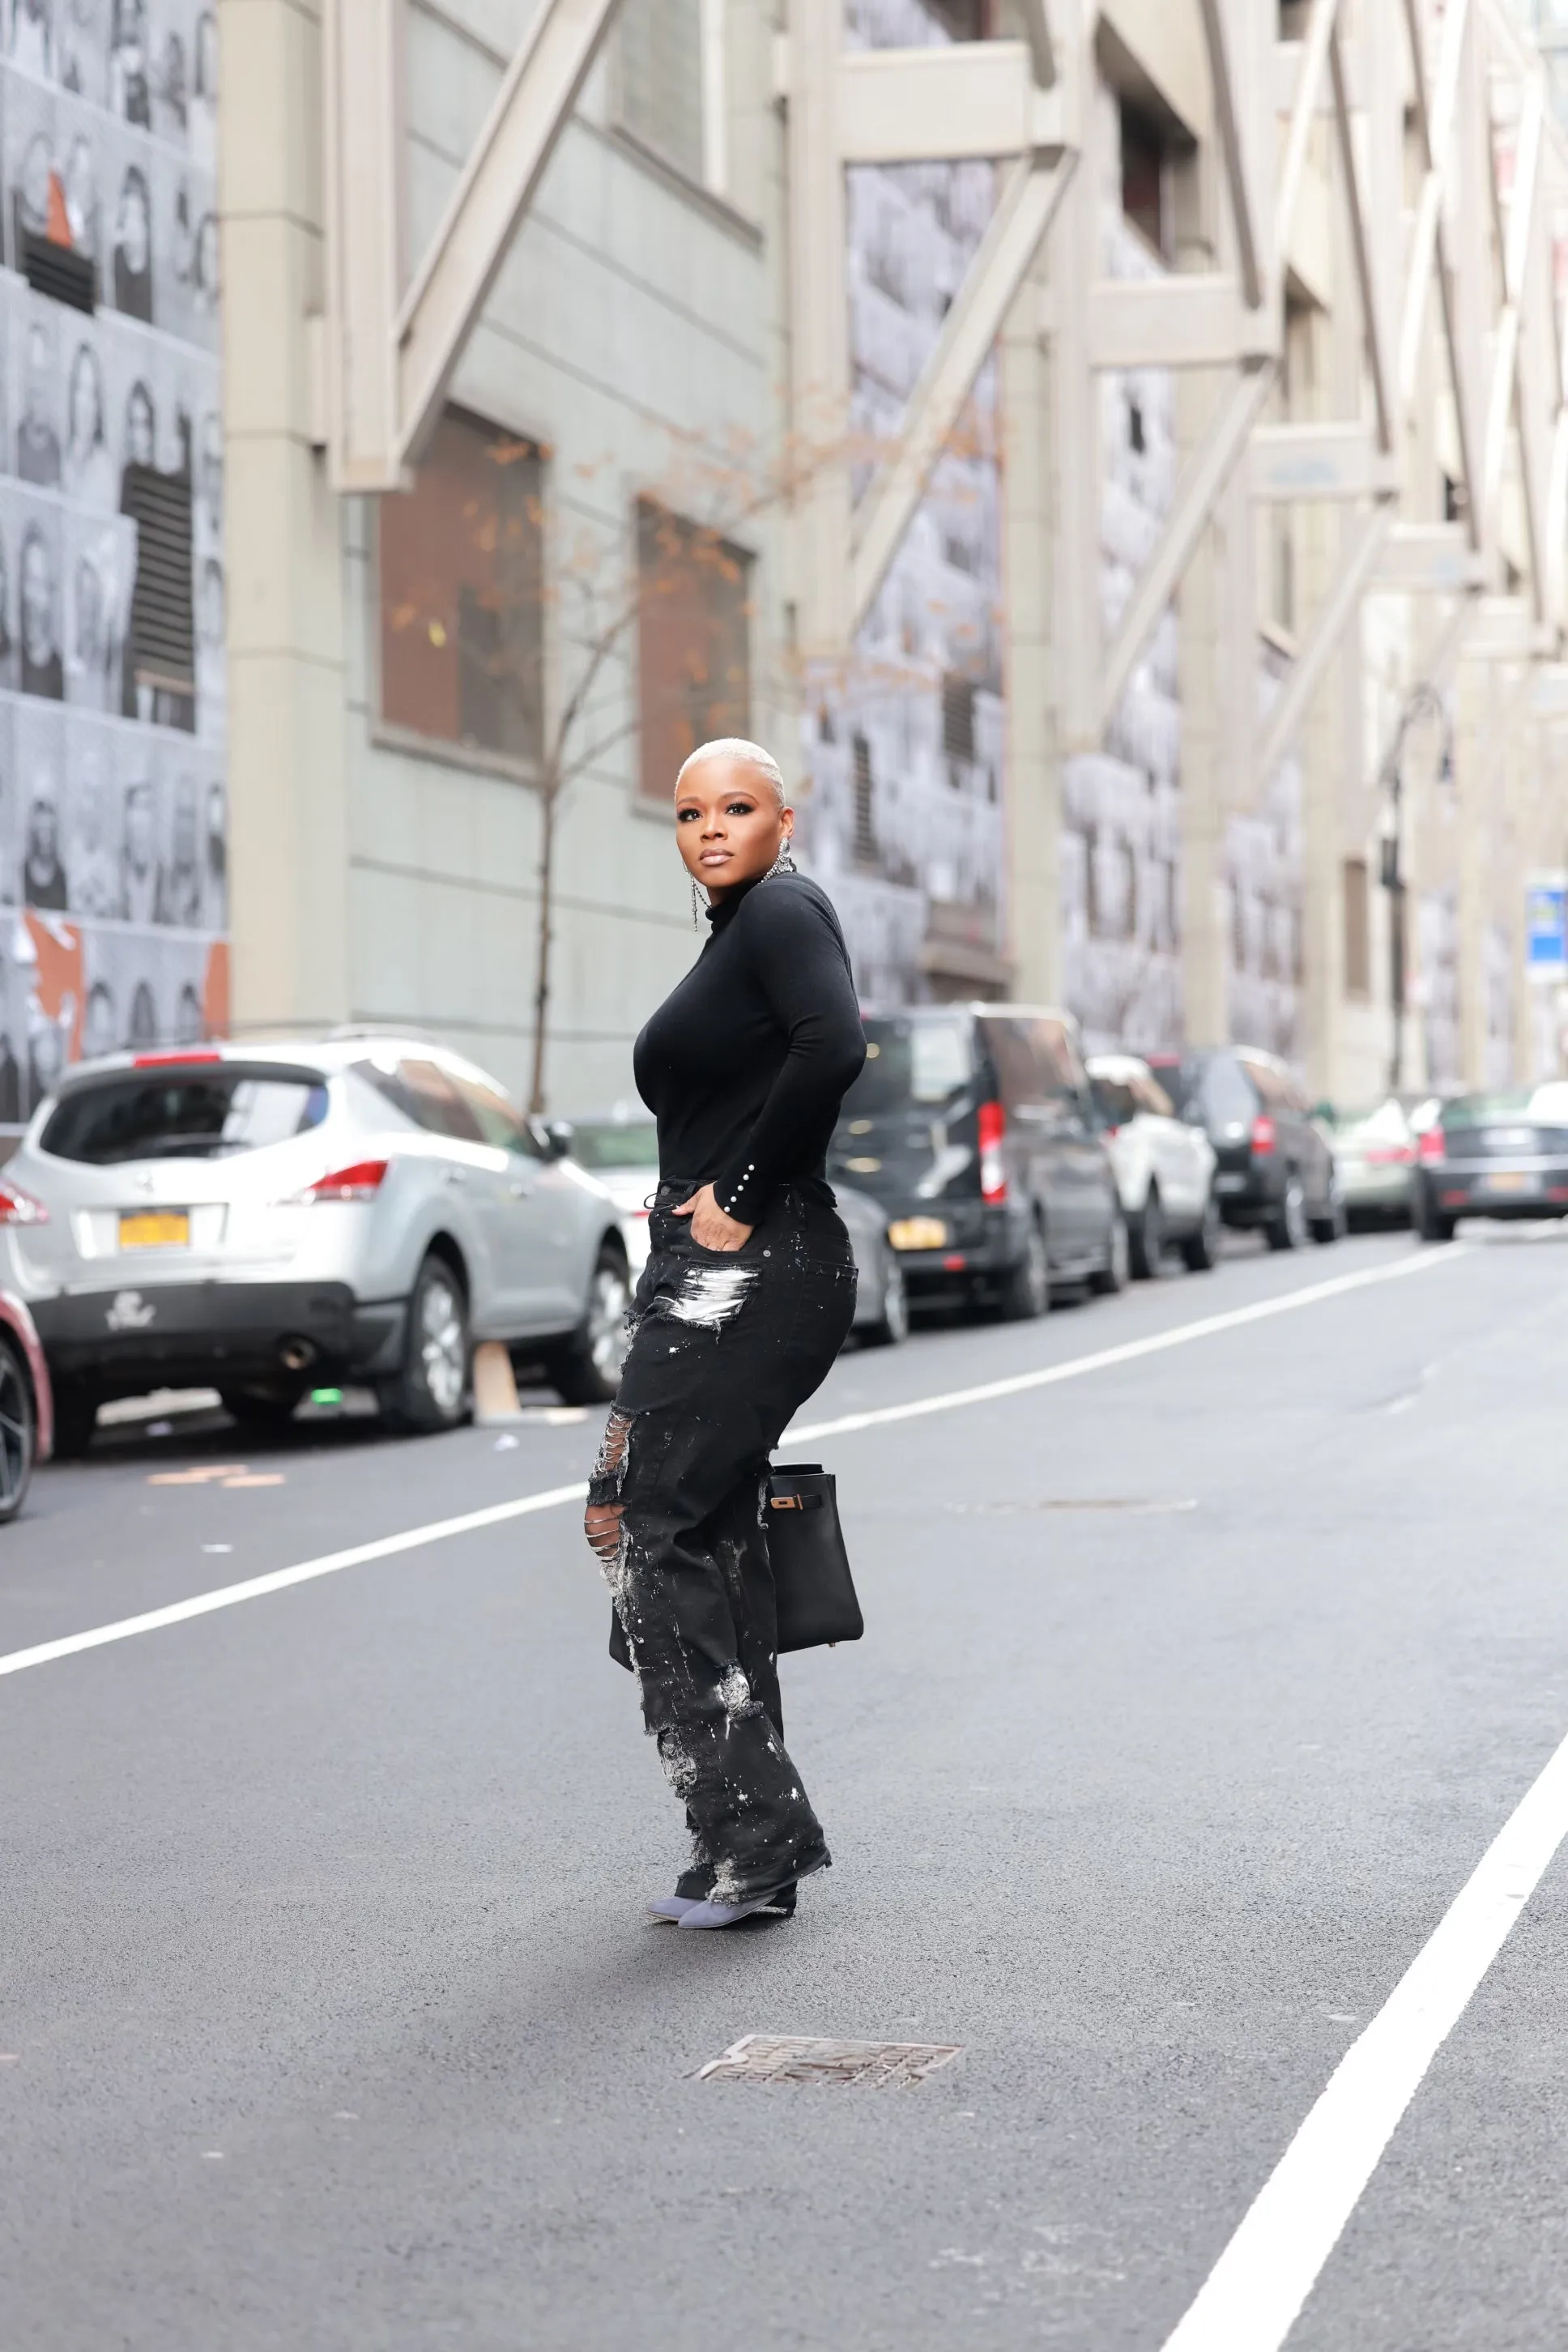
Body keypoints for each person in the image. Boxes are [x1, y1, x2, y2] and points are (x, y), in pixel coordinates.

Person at [583, 738, 866, 1932]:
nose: (711, 829)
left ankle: (755, 1835)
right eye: (692, 812)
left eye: (737, 808)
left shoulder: (784, 912)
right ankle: (744, 1843)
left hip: (750, 1266)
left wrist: (741, 1192)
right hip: (715, 1271)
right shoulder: (740, 930)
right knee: (706, 1525)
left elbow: (834, 1044)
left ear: (783, 819)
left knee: (639, 1515)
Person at [62, 340, 115, 509]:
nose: (86, 405)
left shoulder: (106, 471)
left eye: (92, 393)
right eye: (81, 390)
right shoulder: (59, 458)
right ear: (72, 395)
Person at [19, 526, 63, 700]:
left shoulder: (59, 670)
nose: (31, 595)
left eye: (38, 583)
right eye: (27, 580)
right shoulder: (11, 657)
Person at [16, 322, 61, 487]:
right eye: (31, 369)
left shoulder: (58, 450)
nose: (37, 383)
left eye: (42, 372)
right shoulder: (13, 443)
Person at [112, 164, 152, 319]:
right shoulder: (118, 255)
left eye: (135, 213)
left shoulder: (152, 261)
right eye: (127, 214)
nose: (132, 225)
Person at [23, 794, 68, 910]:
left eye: (49, 831)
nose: (46, 839)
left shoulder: (62, 873)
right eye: (42, 830)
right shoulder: (23, 871)